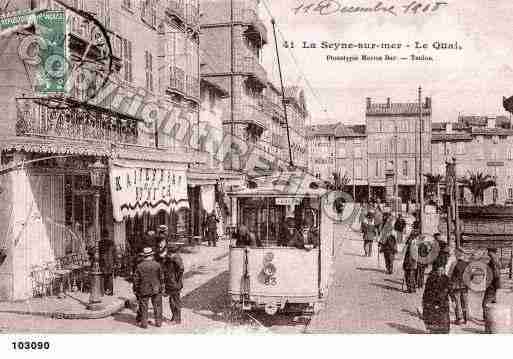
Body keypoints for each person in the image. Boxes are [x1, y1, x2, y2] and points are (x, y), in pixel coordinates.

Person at [133, 247, 164, 329]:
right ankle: (158, 322)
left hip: (144, 289)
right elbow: (161, 277)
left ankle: (144, 324)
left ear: (144, 256)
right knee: (157, 306)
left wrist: (135, 289)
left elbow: (136, 279)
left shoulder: (139, 266)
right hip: (156, 288)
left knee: (144, 306)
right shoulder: (157, 265)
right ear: (152, 255)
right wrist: (161, 286)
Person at [422, 251, 451, 334]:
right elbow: (427, 290)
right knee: (433, 316)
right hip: (433, 300)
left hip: (443, 301)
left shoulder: (446, 278)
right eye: (439, 270)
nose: (441, 272)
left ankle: (443, 331)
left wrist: (452, 300)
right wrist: (424, 300)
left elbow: (450, 289)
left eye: (442, 270)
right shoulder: (431, 278)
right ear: (436, 270)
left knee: (443, 317)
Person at [162, 243, 184, 324]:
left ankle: (177, 319)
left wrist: (176, 280)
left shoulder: (176, 258)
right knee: (172, 301)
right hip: (171, 283)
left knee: (175, 301)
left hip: (174, 283)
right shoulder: (170, 258)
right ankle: (174, 317)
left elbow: (181, 269)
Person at [482, 247, 502, 332]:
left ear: (492, 252)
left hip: (491, 287)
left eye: (489, 251)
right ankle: (490, 327)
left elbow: (496, 275)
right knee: (489, 306)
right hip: (493, 287)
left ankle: (489, 329)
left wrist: (491, 282)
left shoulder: (493, 261)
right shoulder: (496, 260)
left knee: (486, 306)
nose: (487, 253)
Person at [449, 248, 470, 325]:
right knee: (465, 302)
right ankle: (466, 319)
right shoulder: (467, 264)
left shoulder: (454, 263)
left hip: (456, 286)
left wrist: (449, 284)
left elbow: (450, 275)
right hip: (465, 286)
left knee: (457, 303)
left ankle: (458, 319)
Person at [98, 231, 117, 296]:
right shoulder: (112, 243)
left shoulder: (100, 243)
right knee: (110, 277)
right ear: (108, 235)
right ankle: (110, 291)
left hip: (103, 262)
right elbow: (115, 254)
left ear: (102, 236)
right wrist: (116, 262)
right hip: (110, 262)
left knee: (103, 277)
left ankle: (102, 291)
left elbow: (97, 253)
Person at [402, 228, 419, 293]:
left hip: (410, 261)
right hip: (412, 262)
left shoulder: (411, 242)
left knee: (409, 275)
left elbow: (406, 251)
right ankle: (412, 288)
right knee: (412, 275)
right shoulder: (416, 242)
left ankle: (410, 288)